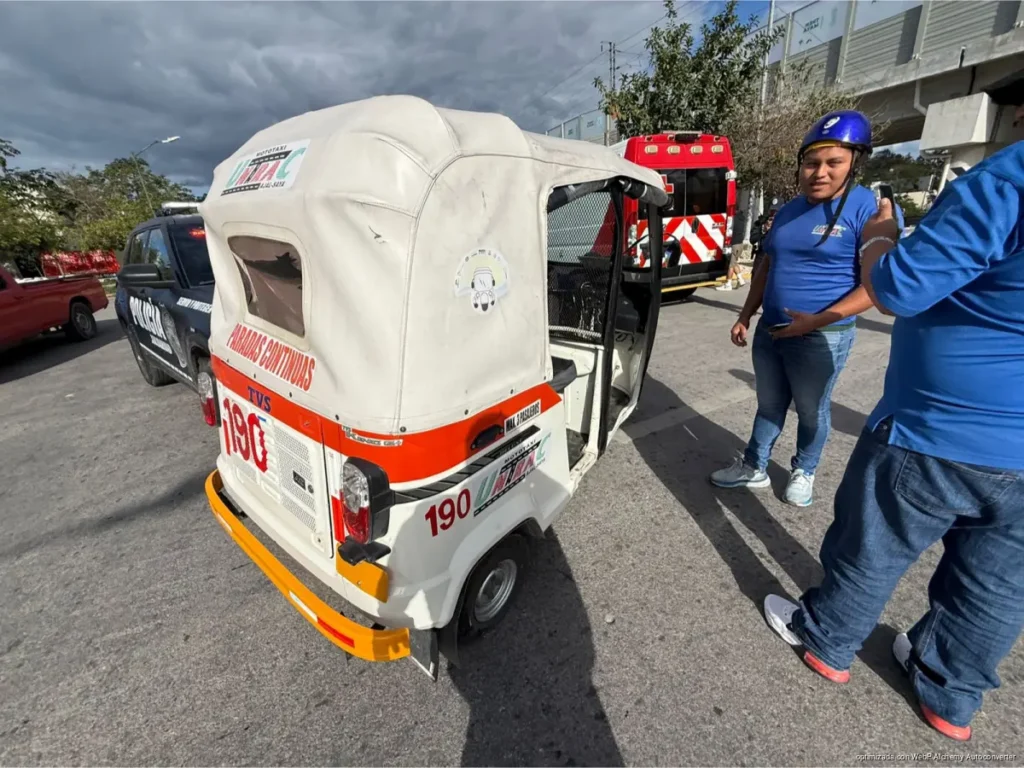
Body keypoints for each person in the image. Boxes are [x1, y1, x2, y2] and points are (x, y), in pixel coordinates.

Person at [763, 142, 1024, 742]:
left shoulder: (1007, 184)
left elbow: (899, 286)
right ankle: (949, 696)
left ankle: (827, 639)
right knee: (996, 585)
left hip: (941, 429)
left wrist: (879, 236)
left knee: (872, 543)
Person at [709, 110, 903, 506]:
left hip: (823, 336)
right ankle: (755, 465)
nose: (820, 173)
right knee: (769, 404)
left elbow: (877, 286)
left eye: (834, 163)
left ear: (855, 163)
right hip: (772, 331)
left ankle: (805, 469)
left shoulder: (870, 209)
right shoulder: (790, 210)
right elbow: (766, 263)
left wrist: (816, 321)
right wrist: (746, 314)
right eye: (813, 163)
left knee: (812, 412)